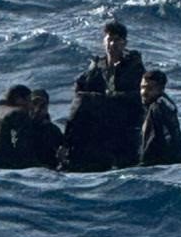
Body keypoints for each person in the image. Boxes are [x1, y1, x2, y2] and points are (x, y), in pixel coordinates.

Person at [62, 19, 145, 170]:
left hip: (125, 117)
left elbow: (138, 96)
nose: (112, 44)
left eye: (117, 40)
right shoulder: (98, 65)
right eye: (109, 39)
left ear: (124, 43)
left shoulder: (133, 67)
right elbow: (81, 86)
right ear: (104, 42)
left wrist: (111, 96)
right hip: (102, 118)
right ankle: (67, 149)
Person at [138, 69, 181, 166]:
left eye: (149, 88)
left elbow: (157, 140)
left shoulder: (158, 108)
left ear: (160, 89)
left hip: (159, 165)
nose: (144, 92)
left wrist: (143, 164)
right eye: (142, 87)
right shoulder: (166, 104)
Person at [0, 84, 37, 168]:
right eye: (29, 100)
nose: (32, 106)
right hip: (8, 164)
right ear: (19, 100)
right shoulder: (19, 113)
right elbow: (21, 144)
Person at [28, 88, 64, 169]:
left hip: (47, 170)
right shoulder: (22, 126)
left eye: (42, 105)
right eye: (35, 103)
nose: (37, 109)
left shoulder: (53, 130)